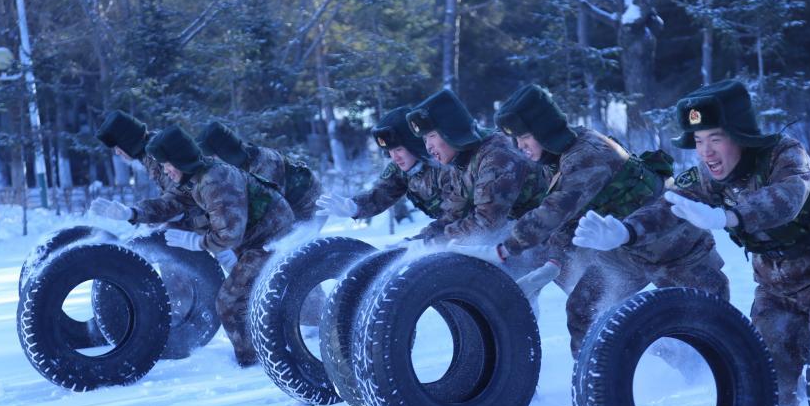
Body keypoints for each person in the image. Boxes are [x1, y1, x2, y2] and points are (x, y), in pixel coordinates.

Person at [449, 85, 730, 406]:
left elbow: (554, 211)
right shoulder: (563, 158)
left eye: (525, 139)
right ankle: (594, 397)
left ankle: (752, 383)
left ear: (544, 131)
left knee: (717, 331)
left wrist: (505, 247)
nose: (521, 148)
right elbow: (568, 222)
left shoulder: (588, 154)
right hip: (628, 254)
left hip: (677, 248)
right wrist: (553, 259)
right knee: (585, 309)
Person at [618, 79, 810, 406]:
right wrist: (626, 230)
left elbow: (787, 199)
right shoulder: (708, 176)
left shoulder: (785, 154)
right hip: (775, 283)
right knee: (766, 367)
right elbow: (670, 205)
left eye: (715, 138)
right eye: (699, 141)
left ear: (740, 135)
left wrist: (729, 216)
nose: (706, 153)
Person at [91, 125, 295, 367]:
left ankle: (254, 362)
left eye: (167, 165)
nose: (165, 171)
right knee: (278, 293)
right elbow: (172, 203)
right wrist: (132, 212)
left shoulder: (216, 180)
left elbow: (229, 235)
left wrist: (197, 242)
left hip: (271, 238)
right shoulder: (194, 176)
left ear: (180, 159)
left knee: (231, 300)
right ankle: (267, 346)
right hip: (253, 237)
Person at [405, 88, 550, 247]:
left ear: (450, 131)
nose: (428, 147)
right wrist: (417, 241)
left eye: (432, 136)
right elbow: (453, 214)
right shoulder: (462, 161)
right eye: (425, 140)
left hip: (549, 241)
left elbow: (486, 223)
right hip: (522, 237)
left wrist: (435, 242)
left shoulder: (497, 157)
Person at [314, 106, 445, 222]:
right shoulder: (400, 170)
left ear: (415, 145)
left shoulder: (445, 165)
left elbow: (457, 216)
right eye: (390, 151)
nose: (395, 157)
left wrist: (427, 239)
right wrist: (354, 207)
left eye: (399, 149)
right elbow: (380, 195)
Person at [195, 121, 322, 225]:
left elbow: (264, 209)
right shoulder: (239, 163)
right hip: (289, 210)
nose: (211, 162)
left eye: (212, 156)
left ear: (224, 151)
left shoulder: (264, 163)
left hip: (308, 211)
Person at [95, 110, 201, 229]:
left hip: (208, 227)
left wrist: (133, 213)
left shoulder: (157, 155)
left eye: (117, 146)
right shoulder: (150, 152)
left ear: (128, 142)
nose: (117, 152)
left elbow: (177, 201)